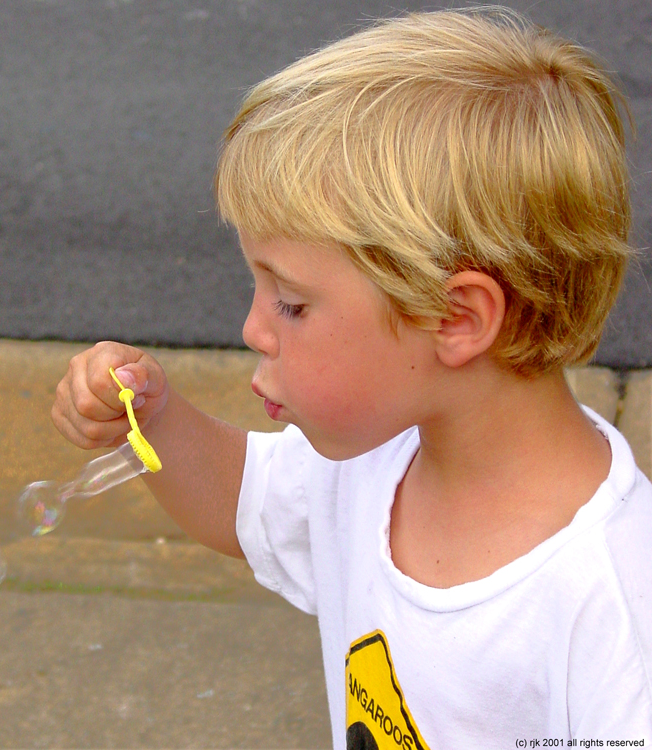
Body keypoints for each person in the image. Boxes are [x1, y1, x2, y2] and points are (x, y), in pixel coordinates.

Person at [52, 7, 652, 747]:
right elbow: (242, 503)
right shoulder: (380, 457)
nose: (252, 329)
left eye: (293, 303)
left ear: (455, 319)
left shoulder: (612, 606)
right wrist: (155, 415)